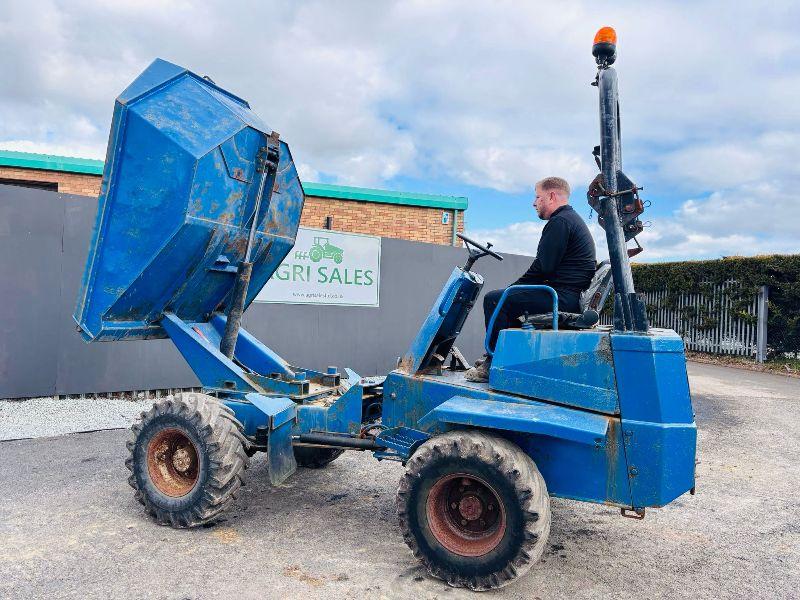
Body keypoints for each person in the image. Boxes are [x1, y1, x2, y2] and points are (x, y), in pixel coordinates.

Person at [465, 176, 596, 382]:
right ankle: (506, 358)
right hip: (566, 295)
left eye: (537, 197)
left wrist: (513, 288)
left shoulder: (560, 222)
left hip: (561, 298)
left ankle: (493, 361)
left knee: (495, 299)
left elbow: (543, 268)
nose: (534, 203)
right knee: (507, 299)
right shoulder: (569, 220)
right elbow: (547, 268)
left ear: (551, 196)